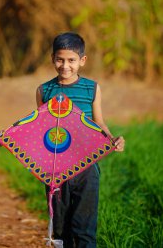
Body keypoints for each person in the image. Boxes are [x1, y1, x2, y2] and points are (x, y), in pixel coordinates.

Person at [36, 32, 125, 248]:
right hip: (56, 169)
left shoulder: (92, 88)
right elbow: (39, 128)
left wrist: (112, 139)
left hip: (86, 167)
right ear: (52, 58)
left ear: (82, 61)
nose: (65, 66)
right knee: (60, 229)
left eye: (71, 60)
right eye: (60, 59)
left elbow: (99, 123)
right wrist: (11, 139)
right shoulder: (43, 90)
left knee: (84, 228)